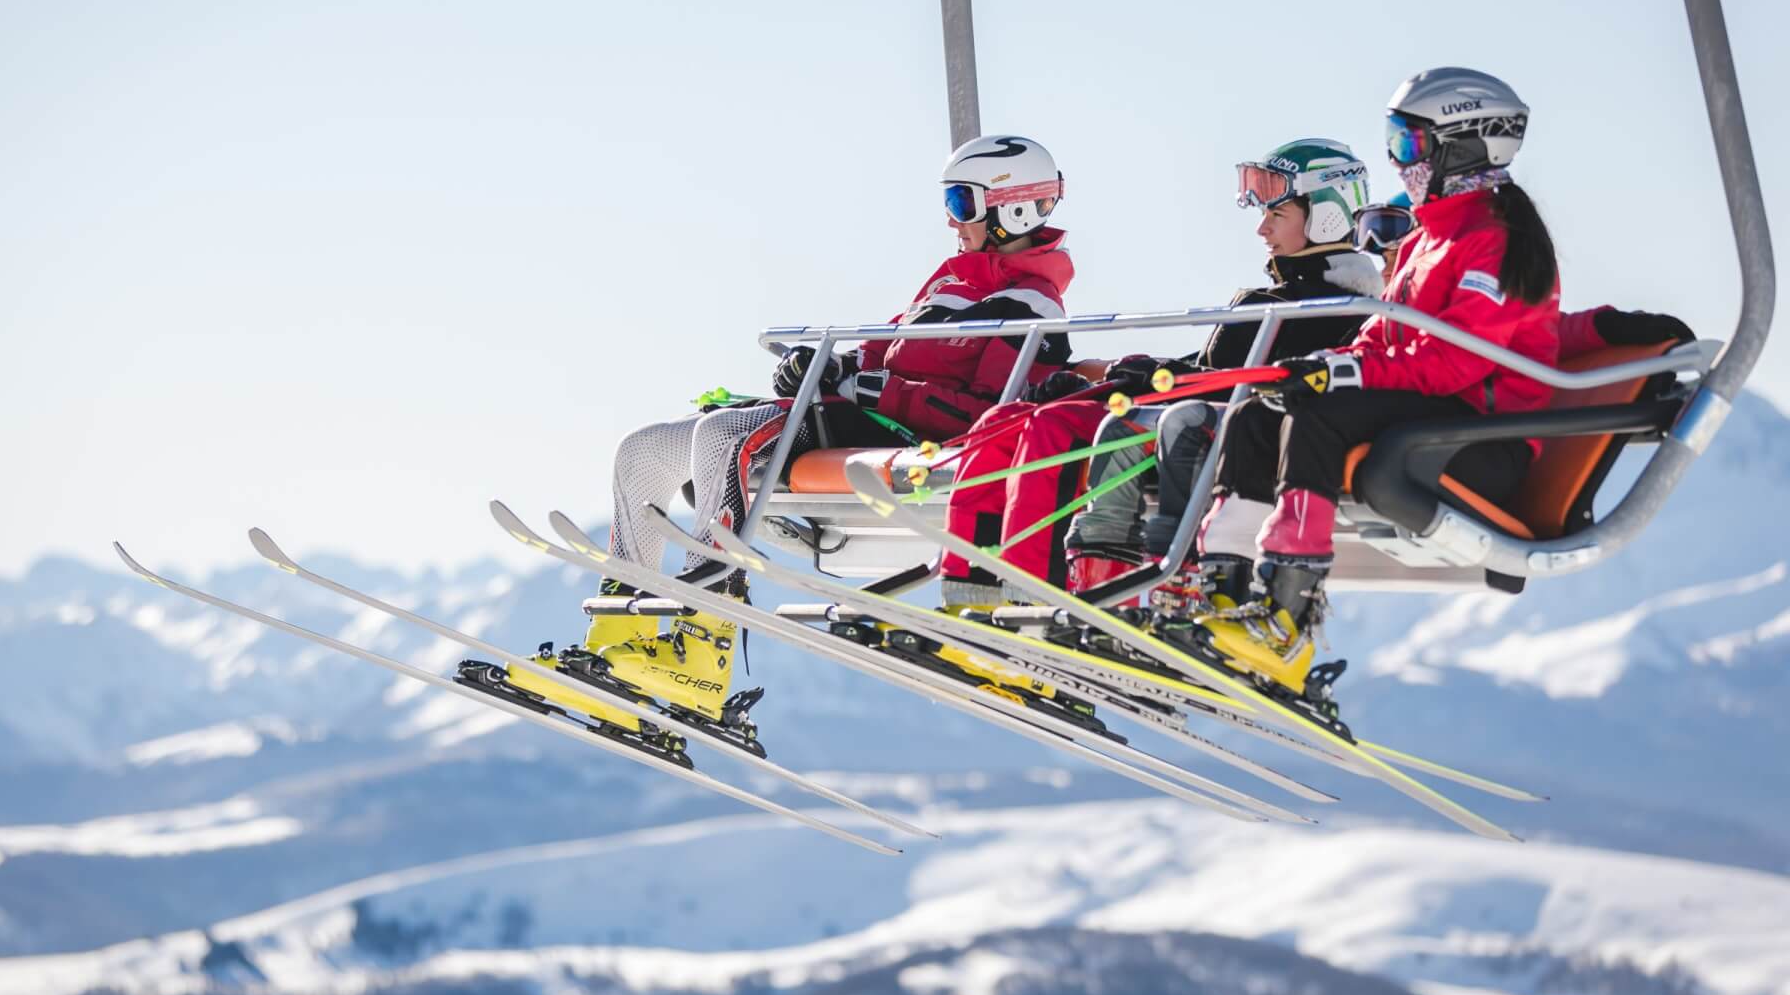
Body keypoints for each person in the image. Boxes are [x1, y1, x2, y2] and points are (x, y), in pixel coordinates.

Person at [575, 134, 1075, 724]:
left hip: (891, 432)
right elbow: (884, 351)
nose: (950, 220)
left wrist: (866, 387)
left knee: (721, 438)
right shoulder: (955, 282)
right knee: (641, 452)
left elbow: (987, 414)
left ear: (1011, 206)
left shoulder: (1031, 306)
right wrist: (828, 365)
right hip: (848, 410)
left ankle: (699, 649)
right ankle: (615, 631)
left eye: (962, 204)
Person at [1191, 67, 1561, 694]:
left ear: (1463, 144)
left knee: (1319, 415)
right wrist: (1325, 365)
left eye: (1409, 144)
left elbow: (1457, 360)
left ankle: (1287, 616)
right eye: (1394, 141)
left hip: (1484, 439)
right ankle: (1224, 594)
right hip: (1433, 419)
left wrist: (1347, 372)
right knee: (1261, 410)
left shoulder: (1495, 240)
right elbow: (1387, 334)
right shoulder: (1432, 236)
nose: (1397, 161)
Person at [938, 139, 1380, 609]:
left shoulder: (1333, 309)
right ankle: (974, 595)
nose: (1261, 229)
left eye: (1278, 215)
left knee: (1056, 427)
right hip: (1188, 401)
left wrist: (1149, 376)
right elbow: (1214, 365)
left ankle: (1041, 600)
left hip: (1213, 422)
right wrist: (1121, 374)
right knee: (1005, 422)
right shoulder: (1282, 298)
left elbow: (1242, 377)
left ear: (1325, 217)